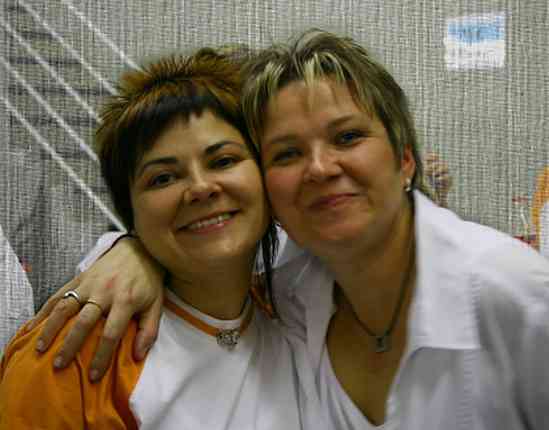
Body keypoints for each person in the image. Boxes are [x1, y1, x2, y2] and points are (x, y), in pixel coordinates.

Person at [27, 30, 549, 428]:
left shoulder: (514, 294)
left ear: (405, 158)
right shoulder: (294, 290)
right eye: (287, 153)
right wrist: (132, 249)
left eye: (347, 137)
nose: (319, 168)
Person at [0, 48, 320, 429]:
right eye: (163, 178)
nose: (200, 188)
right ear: (130, 213)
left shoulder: (297, 319)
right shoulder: (73, 352)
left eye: (223, 161)